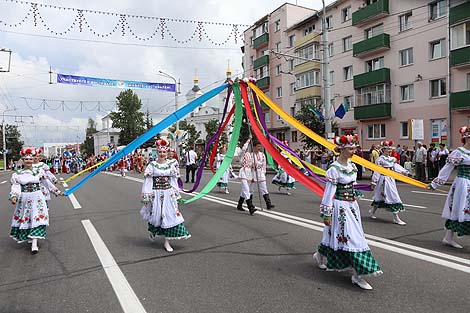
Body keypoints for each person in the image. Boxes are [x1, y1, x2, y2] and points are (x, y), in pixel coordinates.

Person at [313, 134, 382, 290]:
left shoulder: (351, 166)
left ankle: (320, 255)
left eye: (354, 148)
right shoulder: (334, 169)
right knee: (351, 238)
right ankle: (359, 274)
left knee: (335, 235)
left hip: (352, 207)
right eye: (351, 149)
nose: (354, 151)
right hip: (339, 207)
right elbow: (329, 192)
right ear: (342, 150)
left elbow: (353, 185)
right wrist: (326, 213)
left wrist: (364, 188)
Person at [140, 139, 190, 253]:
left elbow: (174, 180)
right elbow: (147, 181)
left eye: (164, 152)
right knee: (156, 216)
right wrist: (147, 195)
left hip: (168, 193)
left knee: (169, 215)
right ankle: (152, 231)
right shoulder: (152, 165)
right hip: (156, 193)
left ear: (167, 153)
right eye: (160, 152)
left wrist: (176, 194)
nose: (162, 154)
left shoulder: (171, 165)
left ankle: (167, 242)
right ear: (157, 153)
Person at [9, 147, 62, 254]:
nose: (28, 161)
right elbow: (16, 186)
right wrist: (14, 196)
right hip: (24, 198)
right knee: (27, 218)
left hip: (37, 197)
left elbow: (47, 183)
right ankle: (30, 237)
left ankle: (34, 243)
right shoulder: (18, 174)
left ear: (33, 160)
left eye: (30, 159)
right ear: (23, 160)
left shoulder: (39, 171)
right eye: (26, 159)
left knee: (37, 217)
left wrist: (57, 191)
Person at [428, 126, 470, 249]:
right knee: (459, 209)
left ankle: (448, 237)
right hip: (462, 184)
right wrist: (435, 183)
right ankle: (448, 238)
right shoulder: (459, 152)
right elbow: (447, 169)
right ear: (466, 138)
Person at [369, 140, 409, 225]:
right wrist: (374, 181)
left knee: (380, 197)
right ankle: (396, 218)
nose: (390, 151)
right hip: (383, 180)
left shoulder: (392, 159)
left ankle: (372, 211)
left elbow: (396, 167)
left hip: (390, 180)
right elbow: (377, 171)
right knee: (391, 197)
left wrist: (404, 171)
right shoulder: (380, 160)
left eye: (390, 149)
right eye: (388, 149)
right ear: (383, 150)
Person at [237, 135, 275, 215]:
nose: (259, 148)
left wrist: (262, 171)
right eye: (258, 146)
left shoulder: (256, 155)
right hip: (246, 173)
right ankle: (250, 206)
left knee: (247, 190)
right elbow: (244, 149)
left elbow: (262, 164)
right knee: (248, 190)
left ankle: (241, 204)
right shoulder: (243, 153)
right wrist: (249, 139)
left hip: (255, 173)